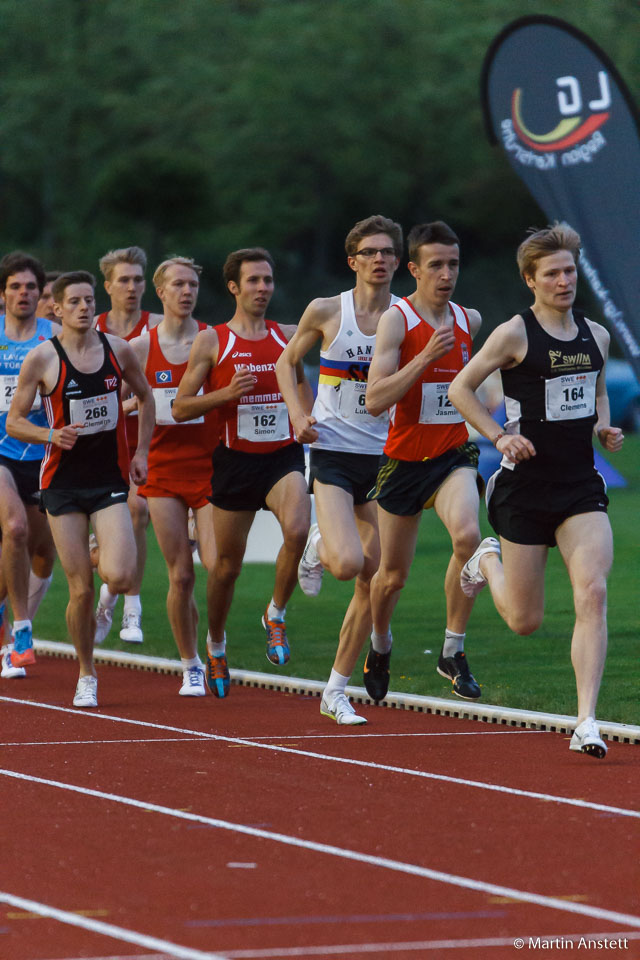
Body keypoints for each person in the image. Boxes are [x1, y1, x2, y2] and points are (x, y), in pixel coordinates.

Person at [448, 223, 623, 759]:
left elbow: (594, 390)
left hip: (579, 488)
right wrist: (500, 434)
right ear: (531, 279)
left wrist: (602, 428)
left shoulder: (596, 335)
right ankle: (486, 562)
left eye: (570, 270)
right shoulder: (513, 334)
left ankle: (586, 721)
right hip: (521, 489)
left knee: (592, 592)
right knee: (525, 622)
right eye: (553, 273)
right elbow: (461, 388)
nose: (564, 280)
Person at [275, 215, 402, 725]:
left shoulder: (407, 317)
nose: (379, 259)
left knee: (373, 579)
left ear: (398, 260)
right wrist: (297, 414)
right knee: (348, 564)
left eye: (387, 252)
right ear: (353, 261)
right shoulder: (328, 310)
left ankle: (335, 689)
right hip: (331, 451)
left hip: (387, 458)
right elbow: (288, 362)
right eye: (369, 252)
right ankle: (321, 543)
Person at [6, 270, 154, 707]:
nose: (85, 308)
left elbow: (145, 397)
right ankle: (87, 673)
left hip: (108, 478)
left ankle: (98, 549)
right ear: (57, 308)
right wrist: (51, 436)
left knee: (122, 575)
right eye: (75, 302)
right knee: (80, 590)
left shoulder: (118, 349)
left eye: (90, 300)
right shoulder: (42, 358)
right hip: (61, 485)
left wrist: (142, 453)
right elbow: (14, 421)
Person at [172, 247, 312, 697]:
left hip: (282, 457)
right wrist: (225, 394)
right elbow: (179, 406)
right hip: (234, 462)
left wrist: (305, 418)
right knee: (226, 569)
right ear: (234, 287)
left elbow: (304, 383)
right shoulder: (213, 340)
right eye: (253, 281)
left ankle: (276, 615)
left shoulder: (288, 336)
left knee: (297, 529)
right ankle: (215, 644)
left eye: (268, 280)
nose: (262, 288)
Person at [364, 221, 484, 704]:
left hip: (454, 453)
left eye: (453, 264)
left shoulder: (469, 319)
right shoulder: (397, 320)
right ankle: (380, 644)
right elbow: (374, 399)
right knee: (391, 578)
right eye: (435, 264)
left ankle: (452, 650)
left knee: (469, 537)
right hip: (404, 461)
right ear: (412, 268)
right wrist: (424, 358)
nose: (446, 273)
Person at [130, 257, 217, 696]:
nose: (187, 291)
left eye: (193, 284)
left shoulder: (213, 340)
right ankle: (191, 665)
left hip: (210, 469)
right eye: (178, 284)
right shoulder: (142, 347)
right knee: (181, 576)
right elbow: (118, 402)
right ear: (160, 293)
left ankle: (215, 645)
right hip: (163, 472)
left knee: (218, 568)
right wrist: (144, 409)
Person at [92, 246, 163, 646]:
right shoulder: (92, 327)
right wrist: (127, 402)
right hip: (96, 447)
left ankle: (131, 611)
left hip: (146, 443)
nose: (132, 287)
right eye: (124, 280)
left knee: (138, 511)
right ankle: (106, 597)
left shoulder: (160, 326)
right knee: (98, 555)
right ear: (108, 286)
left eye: (138, 279)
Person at [0, 251, 58, 678]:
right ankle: (20, 631)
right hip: (1, 452)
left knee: (41, 551)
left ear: (41, 294)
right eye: (16, 286)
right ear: (3, 294)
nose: (23, 293)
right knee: (14, 529)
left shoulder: (54, 337)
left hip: (44, 453)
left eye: (30, 287)